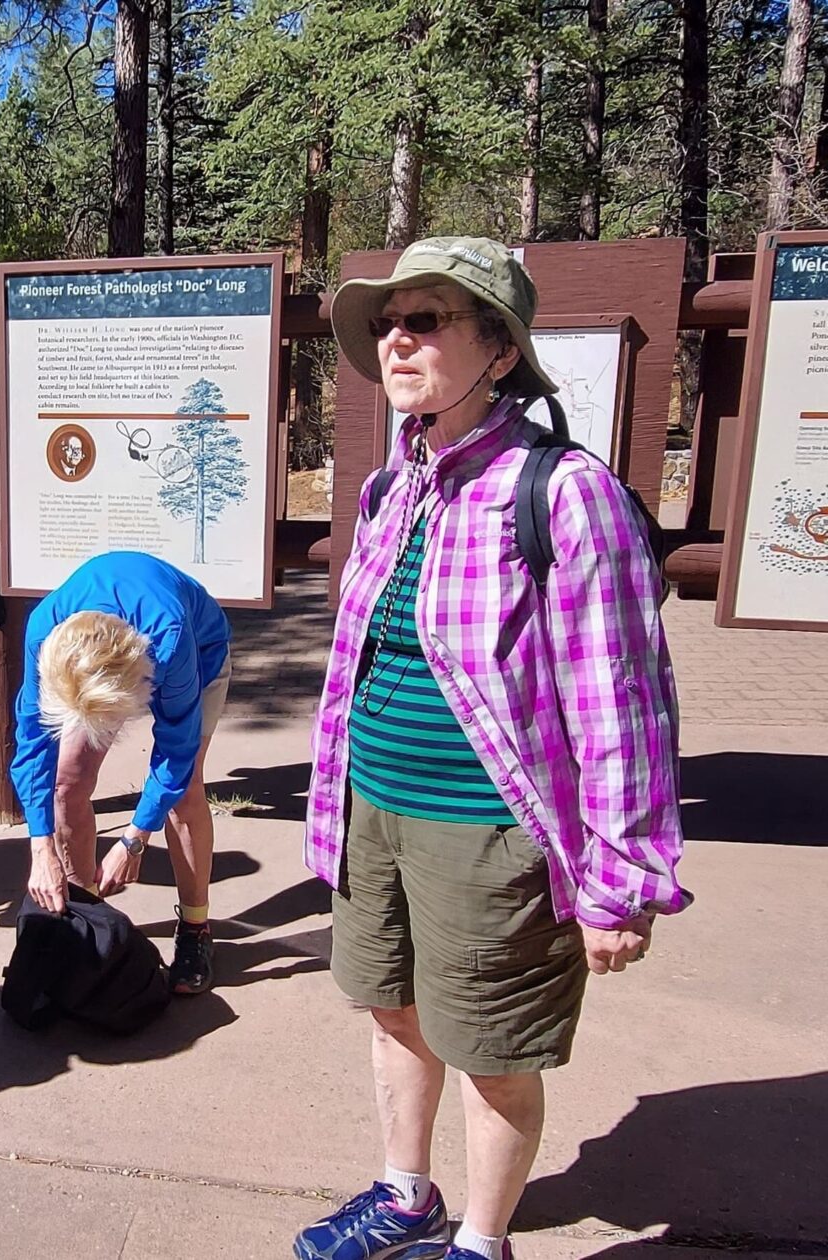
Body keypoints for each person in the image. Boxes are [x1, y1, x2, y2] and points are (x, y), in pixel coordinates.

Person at [293, 237, 688, 1260]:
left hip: (490, 835)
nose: (397, 340)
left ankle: (479, 1242)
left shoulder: (563, 494)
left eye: (426, 320)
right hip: (371, 808)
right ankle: (404, 1193)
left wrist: (620, 879)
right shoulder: (396, 483)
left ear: (499, 350)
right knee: (390, 1010)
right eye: (387, 324)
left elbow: (623, 704)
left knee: (494, 1055)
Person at [14, 551, 232, 994]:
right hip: (100, 665)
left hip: (197, 653)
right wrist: (41, 849)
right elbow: (33, 744)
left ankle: (195, 929)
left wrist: (134, 839)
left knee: (185, 790)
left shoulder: (169, 638)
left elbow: (176, 752)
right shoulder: (44, 632)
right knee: (66, 781)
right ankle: (81, 914)